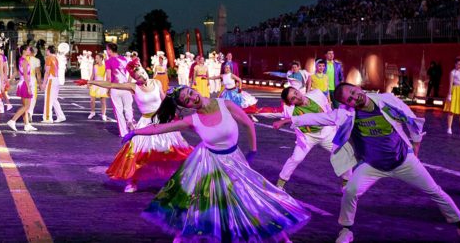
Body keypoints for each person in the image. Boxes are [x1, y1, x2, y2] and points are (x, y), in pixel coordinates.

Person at [273, 82, 460, 243]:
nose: (355, 97)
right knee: (350, 191)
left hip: (402, 160)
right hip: (373, 165)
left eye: (353, 92)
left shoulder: (386, 100)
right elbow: (320, 118)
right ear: (347, 104)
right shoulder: (346, 114)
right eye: (350, 99)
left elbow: (411, 119)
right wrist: (288, 120)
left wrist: (415, 146)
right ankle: (347, 230)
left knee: (435, 191)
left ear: (358, 88)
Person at [127, 85, 310, 242]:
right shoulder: (193, 120)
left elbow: (248, 123)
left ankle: (280, 236)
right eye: (186, 100)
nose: (192, 97)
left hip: (234, 160)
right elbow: (159, 128)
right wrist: (135, 132)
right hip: (209, 162)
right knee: (201, 201)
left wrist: (252, 150)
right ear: (185, 107)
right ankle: (185, 235)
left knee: (250, 197)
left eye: (190, 93)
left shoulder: (225, 104)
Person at [82, 59, 192, 193]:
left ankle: (178, 180)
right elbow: (110, 84)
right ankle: (132, 181)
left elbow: (164, 100)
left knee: (172, 150)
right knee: (137, 154)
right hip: (146, 122)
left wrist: (174, 115)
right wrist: (90, 81)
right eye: (139, 76)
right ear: (134, 78)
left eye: (144, 73)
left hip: (162, 121)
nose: (143, 77)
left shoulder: (156, 82)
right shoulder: (133, 87)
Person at [275, 86, 349, 191]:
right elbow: (273, 113)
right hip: (307, 137)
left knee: (343, 153)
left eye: (296, 93)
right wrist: (248, 111)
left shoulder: (317, 94)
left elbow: (328, 109)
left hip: (326, 133)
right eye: (293, 98)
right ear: (290, 103)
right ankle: (280, 184)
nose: (297, 96)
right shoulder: (290, 110)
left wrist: (335, 126)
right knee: (296, 158)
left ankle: (346, 183)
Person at [105, 43, 134, 137]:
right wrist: (130, 85)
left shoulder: (108, 61)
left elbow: (109, 78)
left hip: (115, 88)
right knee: (128, 108)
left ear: (110, 50)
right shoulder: (125, 59)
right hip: (125, 87)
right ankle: (131, 124)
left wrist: (108, 89)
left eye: (107, 49)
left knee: (118, 111)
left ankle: (123, 132)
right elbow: (131, 73)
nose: (106, 51)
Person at [6, 45, 37, 132]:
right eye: (28, 49)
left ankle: (27, 124)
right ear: (24, 51)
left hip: (21, 84)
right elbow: (26, 76)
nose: (30, 50)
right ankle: (13, 120)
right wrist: (29, 87)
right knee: (27, 106)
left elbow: (16, 72)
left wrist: (10, 80)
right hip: (25, 84)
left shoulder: (20, 60)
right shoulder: (25, 61)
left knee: (25, 106)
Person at [41, 45, 66, 124]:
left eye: (46, 50)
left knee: (48, 99)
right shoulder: (56, 58)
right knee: (54, 99)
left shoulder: (49, 58)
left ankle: (48, 118)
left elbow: (47, 72)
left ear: (48, 50)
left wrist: (44, 84)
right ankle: (61, 116)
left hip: (51, 80)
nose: (46, 52)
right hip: (56, 79)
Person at [87, 53, 108, 121]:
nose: (96, 59)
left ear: (101, 59)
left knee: (103, 101)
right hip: (95, 84)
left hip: (102, 84)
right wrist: (89, 82)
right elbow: (92, 75)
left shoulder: (105, 66)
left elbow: (108, 77)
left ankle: (103, 114)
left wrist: (108, 85)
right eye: (95, 58)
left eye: (97, 58)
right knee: (92, 100)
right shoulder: (94, 66)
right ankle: (92, 112)